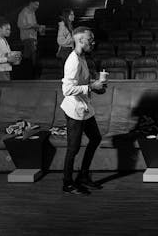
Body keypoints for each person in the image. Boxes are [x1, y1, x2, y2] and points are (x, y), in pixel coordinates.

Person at [60, 26, 106, 195]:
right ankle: (67, 183)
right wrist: (91, 87)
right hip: (74, 110)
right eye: (90, 39)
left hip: (84, 107)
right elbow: (67, 90)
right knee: (73, 148)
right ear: (80, 40)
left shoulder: (82, 57)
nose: (93, 42)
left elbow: (82, 83)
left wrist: (95, 87)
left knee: (95, 138)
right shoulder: (72, 60)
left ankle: (83, 176)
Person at [17, 0, 41, 70]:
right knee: (31, 54)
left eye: (38, 5)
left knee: (29, 55)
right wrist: (33, 26)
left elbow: (33, 25)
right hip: (27, 37)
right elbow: (20, 24)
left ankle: (28, 70)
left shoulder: (32, 13)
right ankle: (30, 70)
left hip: (32, 37)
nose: (37, 7)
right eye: (36, 5)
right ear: (31, 3)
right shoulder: (24, 12)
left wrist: (37, 27)